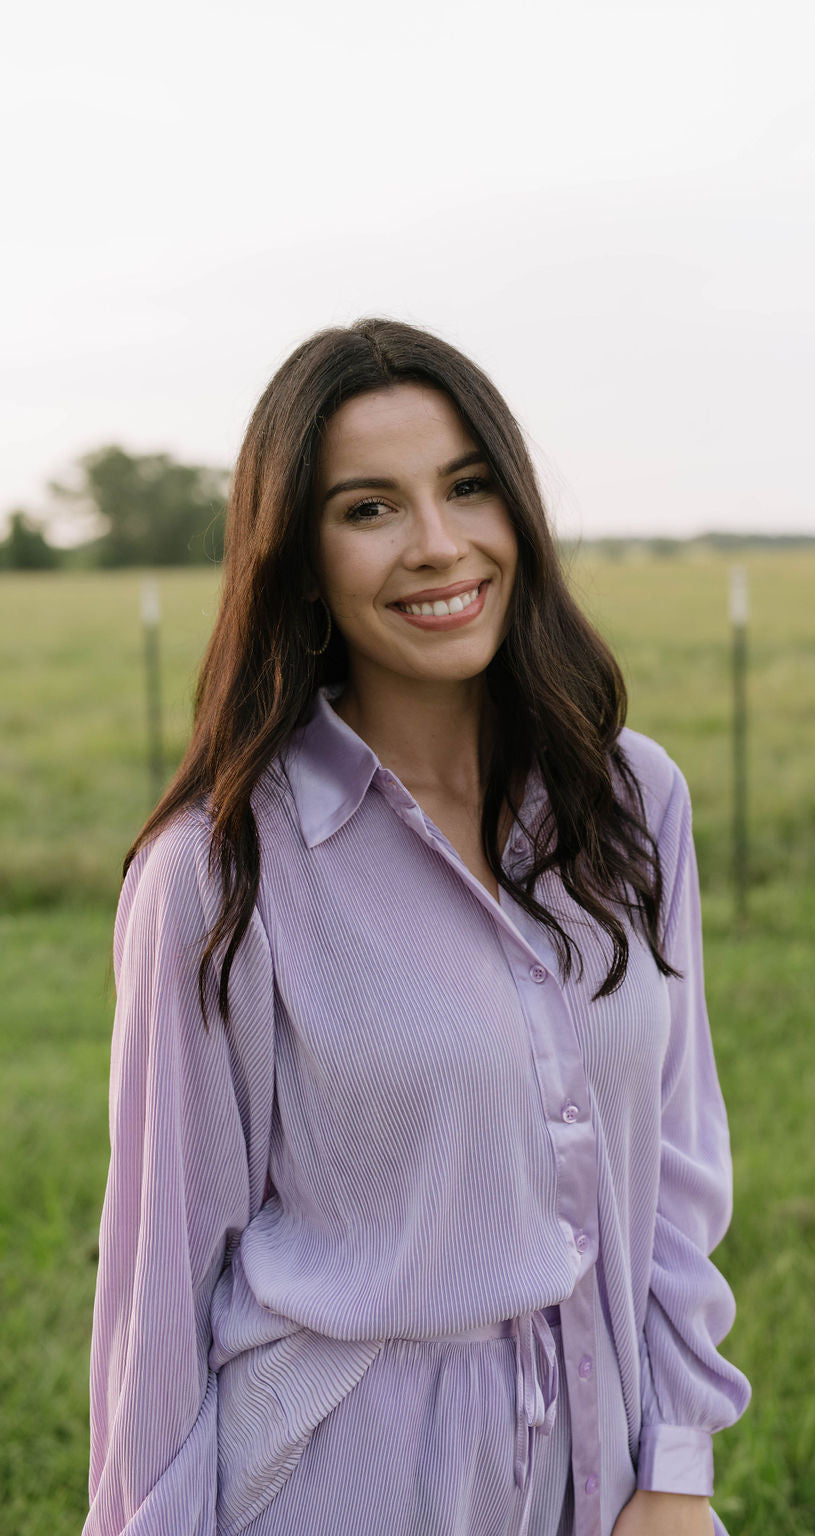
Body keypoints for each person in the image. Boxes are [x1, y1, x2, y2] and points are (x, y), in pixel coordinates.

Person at [84, 319, 751, 1536]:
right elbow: (155, 1287)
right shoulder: (214, 872)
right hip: (337, 1477)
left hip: (602, 1470)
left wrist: (676, 1463)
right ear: (298, 561)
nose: (440, 545)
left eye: (466, 487)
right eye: (370, 508)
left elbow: (673, 1164)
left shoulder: (631, 801)